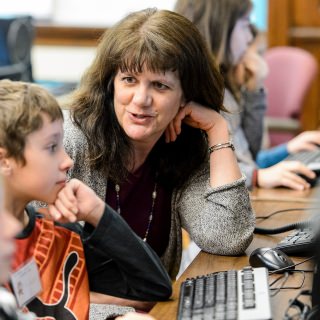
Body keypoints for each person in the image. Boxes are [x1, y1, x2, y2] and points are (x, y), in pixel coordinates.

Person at [61, 7, 255, 306]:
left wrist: (218, 130)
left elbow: (227, 238)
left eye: (160, 85)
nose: (141, 99)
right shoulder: (66, 144)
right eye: (129, 80)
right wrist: (113, 314)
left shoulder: (184, 149)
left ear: (186, 96)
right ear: (110, 83)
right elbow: (30, 286)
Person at [0, 79, 171, 319]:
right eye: (51, 147)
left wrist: (98, 213)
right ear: (4, 160)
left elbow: (154, 288)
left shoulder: (60, 233)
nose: (67, 160)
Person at [175, 0, 320, 191]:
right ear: (221, 28)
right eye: (244, 24)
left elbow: (247, 156)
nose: (249, 37)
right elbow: (197, 171)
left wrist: (288, 149)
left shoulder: (224, 87)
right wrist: (256, 176)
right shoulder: (195, 91)